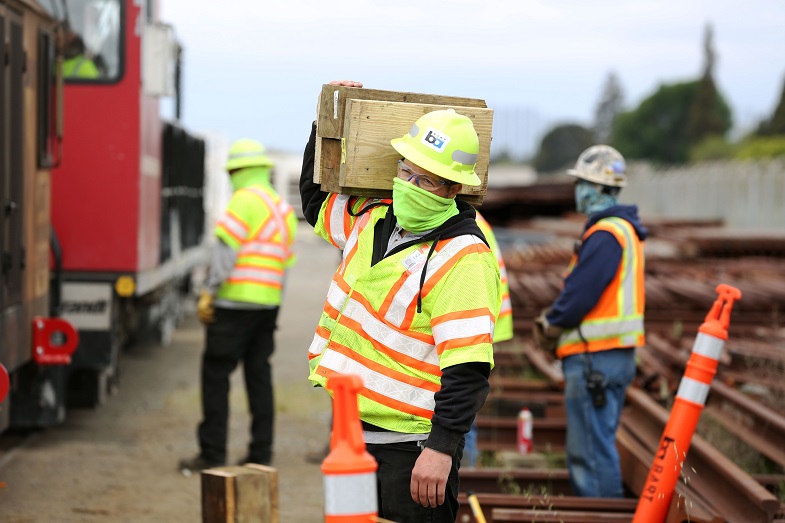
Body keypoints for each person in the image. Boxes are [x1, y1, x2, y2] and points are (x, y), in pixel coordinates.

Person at [300, 80, 501, 522]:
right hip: (352, 436)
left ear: (452, 189)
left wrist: (440, 450)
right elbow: (315, 202)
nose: (409, 185)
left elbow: (468, 370)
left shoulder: (463, 258)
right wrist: (328, 120)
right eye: (406, 171)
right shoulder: (371, 219)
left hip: (411, 452)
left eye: (425, 180)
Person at [532, 144, 646, 498]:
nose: (577, 190)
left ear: (597, 188)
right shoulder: (623, 231)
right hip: (612, 356)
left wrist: (553, 321)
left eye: (582, 183)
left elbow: (581, 294)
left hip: (594, 356)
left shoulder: (606, 234)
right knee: (599, 446)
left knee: (591, 456)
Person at [179, 138, 298, 473]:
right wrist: (274, 304)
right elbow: (284, 266)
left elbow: (225, 255)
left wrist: (208, 292)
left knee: (215, 376)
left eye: (232, 171)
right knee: (259, 378)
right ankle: (261, 454)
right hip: (267, 306)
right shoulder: (282, 208)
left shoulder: (242, 201)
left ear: (239, 171)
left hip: (233, 305)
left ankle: (212, 452)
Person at [463, 211, 513, 467]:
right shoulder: (472, 219)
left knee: (457, 411)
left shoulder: (465, 224)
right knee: (462, 411)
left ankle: (462, 479)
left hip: (473, 331)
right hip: (482, 327)